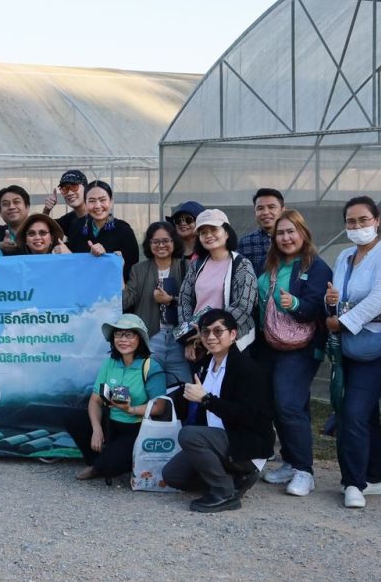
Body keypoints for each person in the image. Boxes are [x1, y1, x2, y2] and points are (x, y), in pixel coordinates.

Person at [325, 196, 381, 509]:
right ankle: (375, 476)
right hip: (349, 345)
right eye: (351, 221)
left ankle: (353, 483)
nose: (357, 226)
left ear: (377, 221)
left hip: (379, 345)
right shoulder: (345, 255)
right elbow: (336, 296)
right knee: (365, 411)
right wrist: (331, 303)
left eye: (363, 220)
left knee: (353, 412)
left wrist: (343, 322)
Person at [254, 210, 332, 497]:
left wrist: (296, 304)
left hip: (301, 346)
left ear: (303, 233)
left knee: (288, 403)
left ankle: (304, 470)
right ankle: (289, 460)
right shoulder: (271, 264)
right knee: (277, 404)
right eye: (280, 233)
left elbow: (318, 307)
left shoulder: (316, 266)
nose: (286, 238)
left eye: (291, 231)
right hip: (268, 343)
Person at [164, 308, 272, 513]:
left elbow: (247, 416)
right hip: (217, 440)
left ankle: (224, 492)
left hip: (245, 443)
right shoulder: (206, 364)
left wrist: (206, 400)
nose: (211, 337)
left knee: (189, 435)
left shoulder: (247, 369)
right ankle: (234, 477)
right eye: (206, 332)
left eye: (218, 331)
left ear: (233, 334)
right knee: (172, 476)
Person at [77, 314, 169, 482]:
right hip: (110, 423)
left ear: (140, 338)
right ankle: (99, 461)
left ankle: (103, 464)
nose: (123, 339)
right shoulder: (109, 363)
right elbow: (95, 400)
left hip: (137, 428)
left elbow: (159, 407)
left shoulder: (151, 366)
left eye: (129, 334)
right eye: (118, 334)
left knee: (109, 466)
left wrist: (130, 409)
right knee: (72, 418)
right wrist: (97, 429)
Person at [177, 209, 257, 361]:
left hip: (232, 343)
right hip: (199, 342)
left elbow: (243, 306)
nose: (208, 235)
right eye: (203, 232)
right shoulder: (196, 265)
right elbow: (184, 300)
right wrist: (189, 335)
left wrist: (209, 332)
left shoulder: (242, 264)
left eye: (214, 229)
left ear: (226, 233)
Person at [123, 221, 188, 383]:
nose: (161, 245)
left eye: (166, 241)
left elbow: (195, 301)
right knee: (150, 385)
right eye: (155, 241)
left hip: (179, 338)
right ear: (149, 244)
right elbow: (125, 302)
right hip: (150, 337)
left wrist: (171, 300)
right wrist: (118, 270)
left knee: (183, 387)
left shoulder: (186, 267)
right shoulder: (139, 269)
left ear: (174, 241)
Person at [75, 181, 139, 280]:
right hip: (83, 286)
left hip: (114, 287)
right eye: (92, 201)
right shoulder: (78, 227)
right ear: (85, 203)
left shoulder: (124, 230)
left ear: (111, 202)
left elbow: (132, 268)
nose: (97, 206)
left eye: (102, 200)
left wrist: (107, 256)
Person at [237, 189, 283, 277]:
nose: (265, 212)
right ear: (255, 213)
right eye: (260, 208)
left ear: (283, 210)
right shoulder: (245, 243)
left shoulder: (292, 240)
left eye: (271, 207)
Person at [42, 169, 91, 250]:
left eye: (74, 187)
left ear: (86, 189)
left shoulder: (97, 218)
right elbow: (43, 228)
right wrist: (46, 210)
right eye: (65, 189)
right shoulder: (71, 218)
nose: (69, 193)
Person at [0, 185, 30, 252]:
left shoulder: (41, 231)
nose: (11, 207)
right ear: (0, 212)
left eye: (16, 202)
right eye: (6, 204)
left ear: (27, 207)